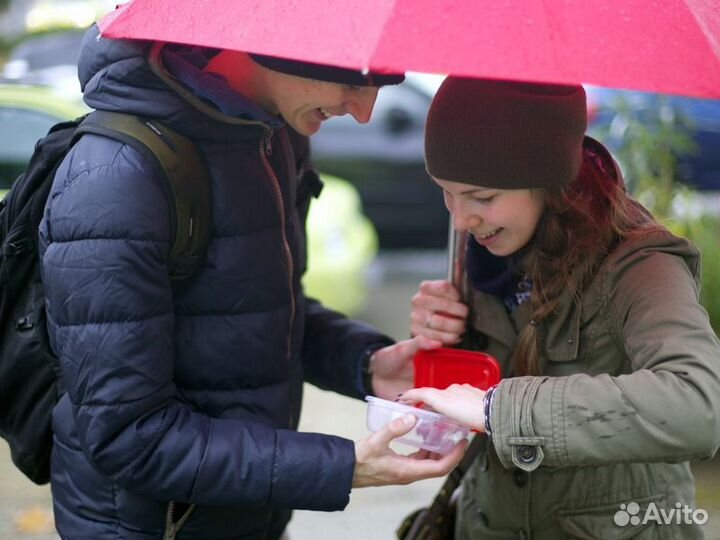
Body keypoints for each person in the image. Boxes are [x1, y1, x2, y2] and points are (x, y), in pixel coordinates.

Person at [37, 24, 466, 540]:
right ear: (289, 39)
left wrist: (366, 363)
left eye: (382, 85)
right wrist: (338, 467)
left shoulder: (273, 137)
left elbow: (256, 313)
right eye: (355, 81)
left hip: (248, 513)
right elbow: (128, 435)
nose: (365, 111)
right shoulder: (116, 177)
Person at [401, 76, 720, 540]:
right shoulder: (482, 258)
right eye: (445, 190)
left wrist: (498, 411)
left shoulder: (641, 265)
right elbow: (474, 399)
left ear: (547, 181)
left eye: (482, 197)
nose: (460, 219)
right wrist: (445, 339)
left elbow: (698, 405)